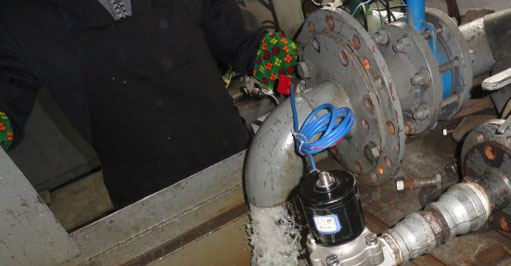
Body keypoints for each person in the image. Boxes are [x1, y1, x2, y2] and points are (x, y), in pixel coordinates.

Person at [0, 0, 298, 207]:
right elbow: (6, 95)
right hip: (145, 202)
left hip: (239, 164)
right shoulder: (18, 19)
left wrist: (279, 59)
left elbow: (235, 32)